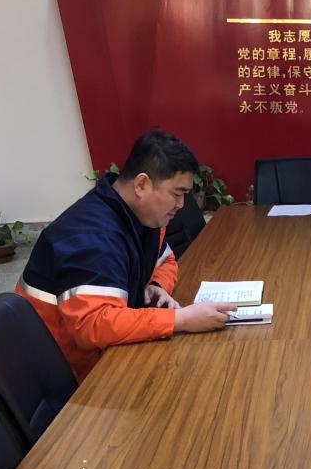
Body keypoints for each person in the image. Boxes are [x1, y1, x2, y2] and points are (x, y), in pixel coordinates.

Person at [16, 129, 236, 381]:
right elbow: (93, 326)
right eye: (177, 194)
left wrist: (156, 286)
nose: (181, 205)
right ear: (141, 184)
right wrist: (180, 319)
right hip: (71, 374)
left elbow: (166, 260)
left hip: (109, 354)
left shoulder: (140, 216)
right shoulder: (92, 236)